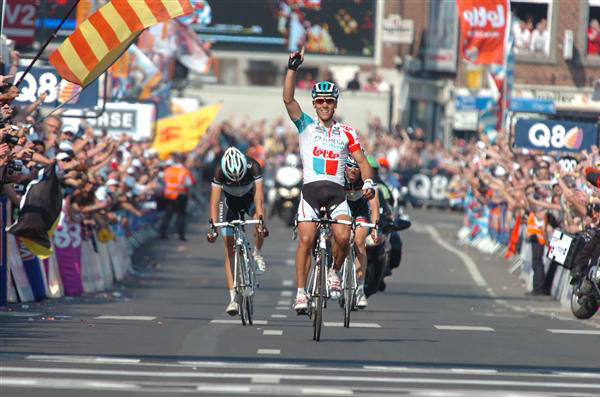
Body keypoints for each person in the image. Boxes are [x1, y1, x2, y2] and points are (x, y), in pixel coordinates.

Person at [283, 46, 375, 313]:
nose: (324, 105)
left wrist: (368, 183)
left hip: (337, 193)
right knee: (306, 240)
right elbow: (288, 100)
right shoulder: (306, 126)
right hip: (310, 193)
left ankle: (334, 272)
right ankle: (301, 292)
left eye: (329, 101)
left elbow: (362, 162)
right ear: (314, 104)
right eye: (320, 101)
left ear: (335, 104)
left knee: (344, 237)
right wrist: (292, 67)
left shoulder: (346, 132)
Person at [207, 147, 268, 316]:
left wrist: (260, 219)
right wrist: (212, 227)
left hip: (249, 198)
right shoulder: (219, 170)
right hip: (229, 203)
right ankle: (233, 297)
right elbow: (215, 201)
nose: (235, 179)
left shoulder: (253, 166)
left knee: (259, 222)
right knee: (228, 248)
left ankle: (257, 253)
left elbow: (259, 197)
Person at [344, 155, 380, 308]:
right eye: (349, 166)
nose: (353, 170)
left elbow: (374, 206)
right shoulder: (338, 175)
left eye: (356, 167)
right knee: (339, 237)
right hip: (342, 208)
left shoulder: (366, 180)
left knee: (359, 242)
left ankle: (360, 288)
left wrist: (375, 227)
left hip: (360, 210)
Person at [160, 153, 193, 241]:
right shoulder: (185, 171)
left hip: (169, 195)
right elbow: (188, 184)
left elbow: (163, 181)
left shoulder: (168, 170)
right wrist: (188, 195)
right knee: (181, 215)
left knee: (168, 214)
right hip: (181, 195)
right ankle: (180, 234)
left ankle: (163, 232)